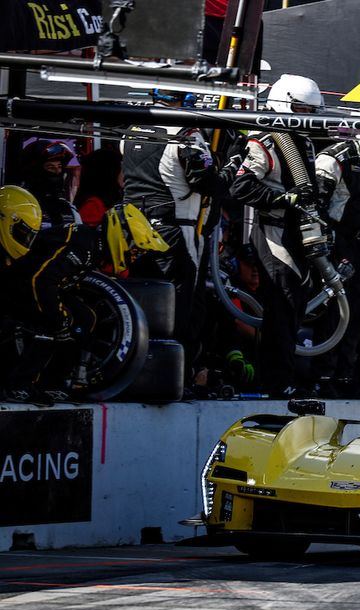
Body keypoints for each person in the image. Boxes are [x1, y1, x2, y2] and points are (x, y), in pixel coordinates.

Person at [122, 87, 242, 370]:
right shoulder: (187, 134)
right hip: (178, 229)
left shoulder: (131, 129)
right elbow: (211, 184)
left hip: (133, 228)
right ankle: (176, 372)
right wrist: (234, 159)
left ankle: (137, 368)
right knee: (180, 306)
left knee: (142, 301)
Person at [4, 204, 168, 403]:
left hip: (37, 287)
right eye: (134, 250)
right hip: (17, 287)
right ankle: (18, 385)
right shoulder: (83, 245)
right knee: (56, 322)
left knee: (86, 318)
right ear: (122, 236)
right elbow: (40, 280)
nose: (133, 256)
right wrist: (59, 318)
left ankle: (52, 383)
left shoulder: (92, 247)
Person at [229, 74, 330, 397]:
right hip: (273, 230)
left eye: (311, 111)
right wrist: (281, 199)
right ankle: (276, 381)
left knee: (297, 304)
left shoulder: (307, 141)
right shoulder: (265, 141)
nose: (307, 117)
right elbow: (240, 185)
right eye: (301, 109)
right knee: (282, 303)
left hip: (301, 231)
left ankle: (285, 376)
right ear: (284, 103)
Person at [311, 137, 360, 397]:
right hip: (333, 243)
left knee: (356, 311)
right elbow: (315, 206)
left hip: (356, 243)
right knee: (332, 311)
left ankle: (345, 376)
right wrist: (324, 247)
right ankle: (322, 376)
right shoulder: (333, 159)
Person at [18, 139, 80, 229]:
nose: (57, 171)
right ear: (35, 171)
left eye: (59, 166)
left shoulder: (68, 208)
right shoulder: (20, 204)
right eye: (50, 167)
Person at [75, 147, 124, 226]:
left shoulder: (115, 199)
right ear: (109, 172)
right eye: (121, 169)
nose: (124, 174)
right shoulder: (93, 206)